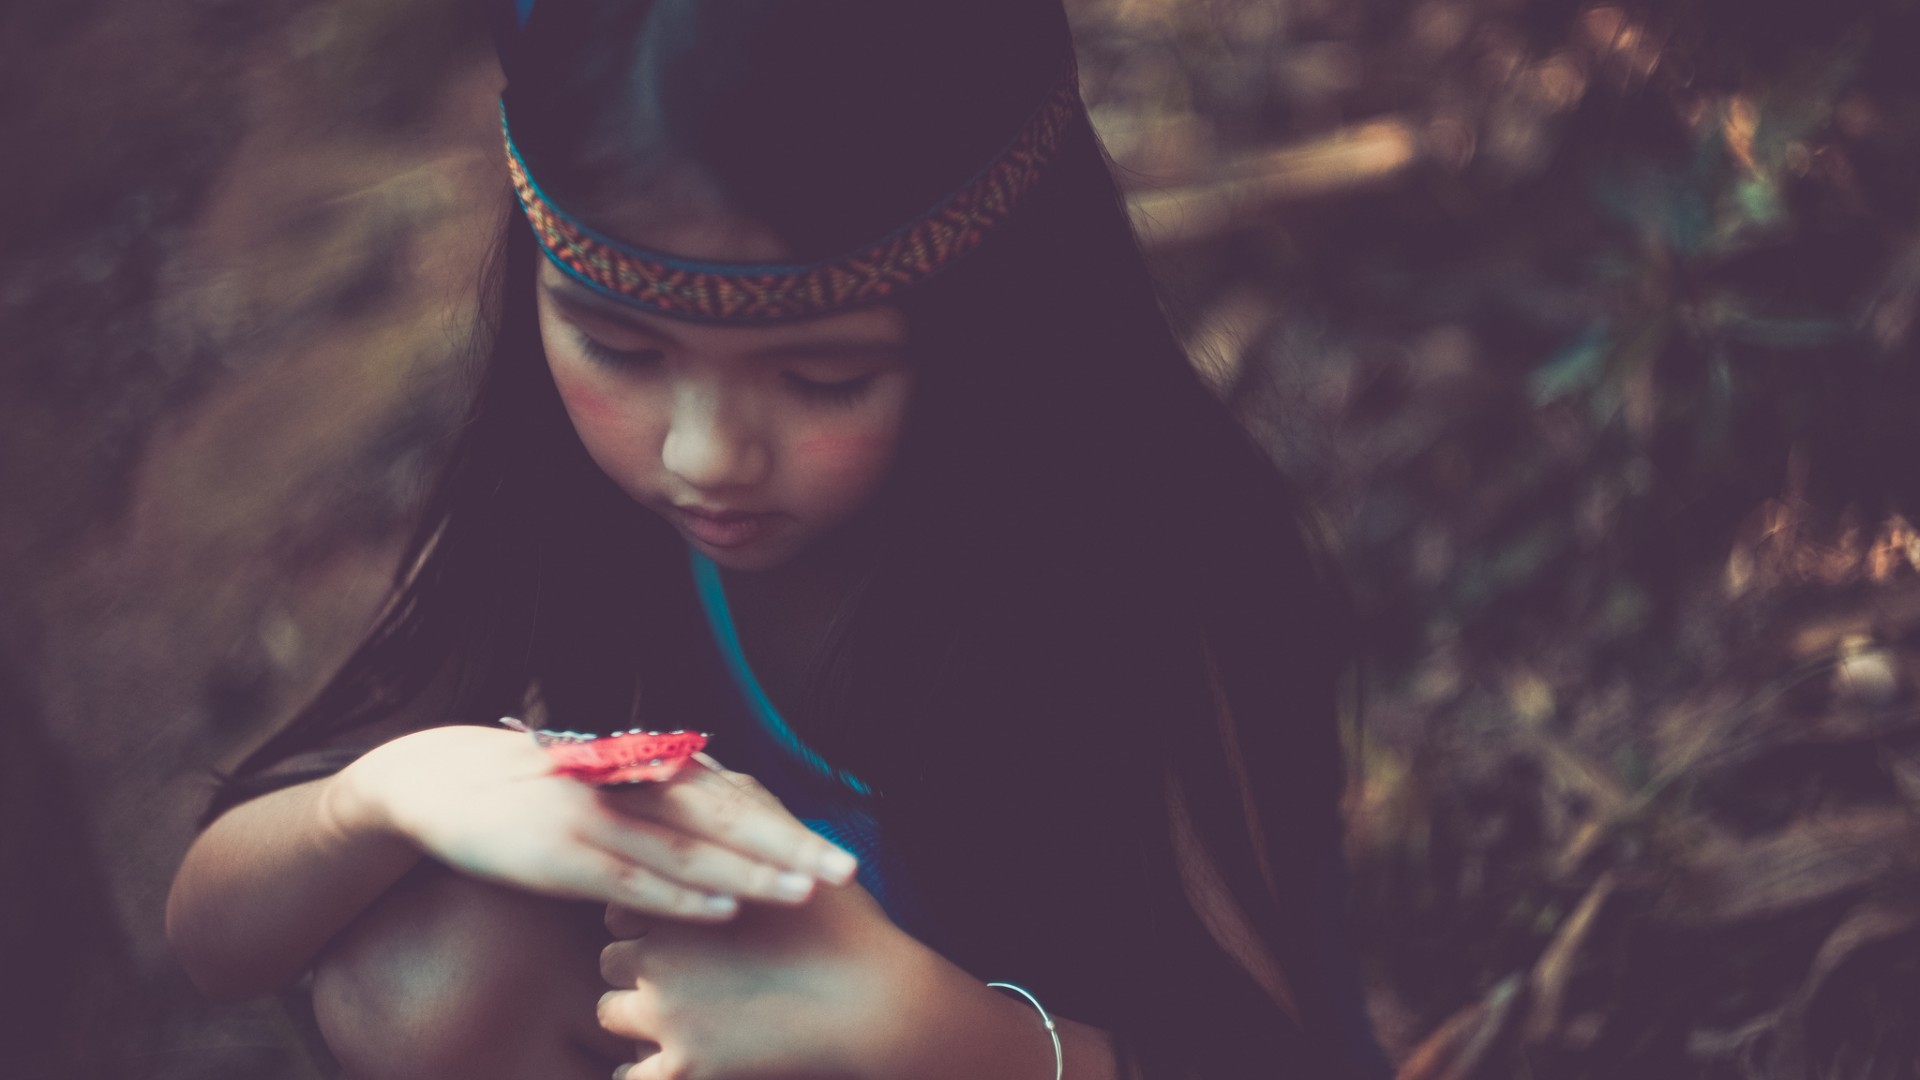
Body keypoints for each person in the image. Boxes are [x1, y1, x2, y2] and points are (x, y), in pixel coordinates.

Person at [166, 1, 1392, 1077]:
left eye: (822, 376)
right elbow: (215, 938)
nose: (704, 454)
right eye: (622, 349)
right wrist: (388, 797)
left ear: (998, 323)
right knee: (417, 970)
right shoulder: (577, 504)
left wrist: (934, 1035)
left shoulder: (1146, 558)